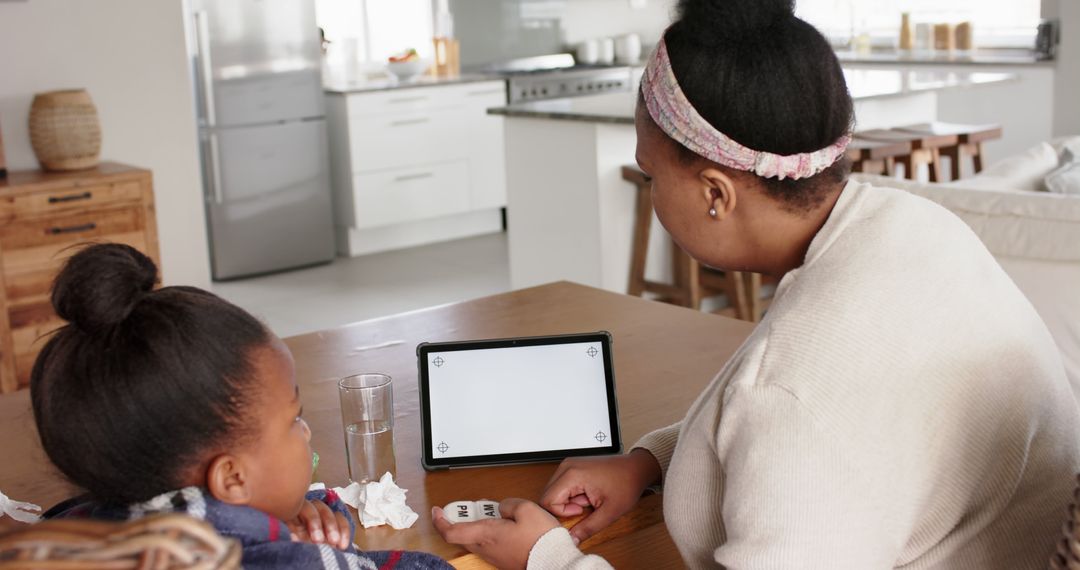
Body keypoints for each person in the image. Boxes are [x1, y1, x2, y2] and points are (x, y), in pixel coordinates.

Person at [432, 0, 1080, 568]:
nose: (650, 193)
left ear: (716, 192)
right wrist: (651, 462)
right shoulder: (915, 227)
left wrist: (549, 557)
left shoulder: (790, 392)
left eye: (651, 175)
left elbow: (796, 410)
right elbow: (841, 427)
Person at [31, 243, 450, 570]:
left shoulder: (73, 529)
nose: (305, 432)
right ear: (231, 477)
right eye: (295, 419)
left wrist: (276, 509)